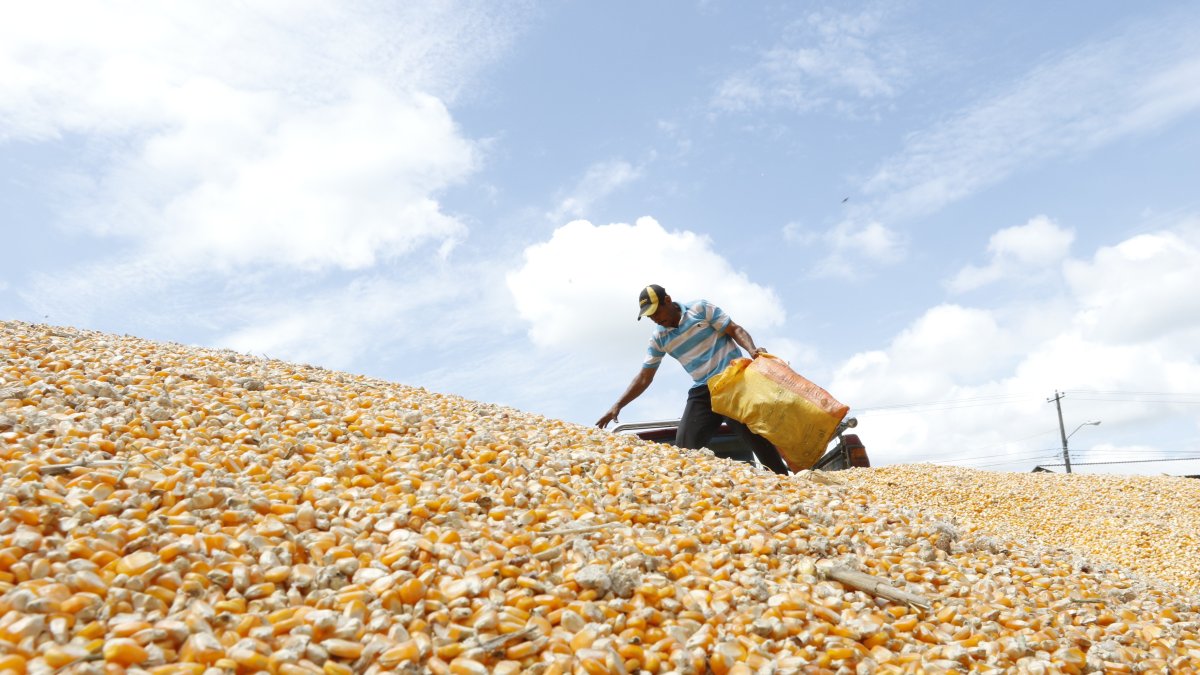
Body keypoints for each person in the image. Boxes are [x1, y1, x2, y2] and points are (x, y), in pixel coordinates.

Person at [596, 284, 790, 474]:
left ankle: (785, 483)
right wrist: (618, 405)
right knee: (683, 450)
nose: (655, 319)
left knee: (755, 438)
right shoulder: (659, 338)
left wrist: (752, 350)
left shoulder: (700, 309)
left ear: (668, 300)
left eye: (656, 312)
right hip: (704, 390)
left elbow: (735, 329)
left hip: (732, 380)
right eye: (650, 316)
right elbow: (645, 377)